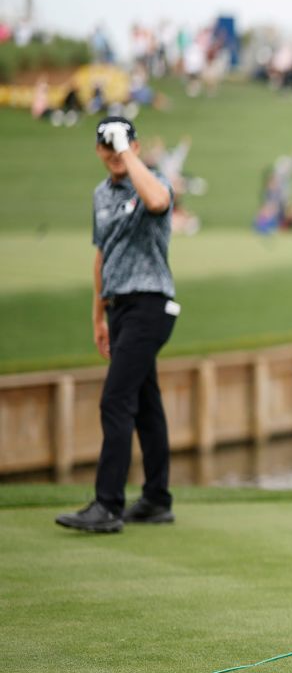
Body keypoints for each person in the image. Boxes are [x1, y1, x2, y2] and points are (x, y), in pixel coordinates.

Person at [56, 116, 179, 534]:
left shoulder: (153, 181)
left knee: (115, 400)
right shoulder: (99, 195)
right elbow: (100, 254)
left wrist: (127, 151)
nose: (112, 154)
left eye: (120, 146)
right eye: (106, 147)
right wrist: (98, 315)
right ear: (97, 152)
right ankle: (157, 500)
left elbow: (159, 202)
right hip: (119, 308)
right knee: (145, 402)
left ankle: (108, 505)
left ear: (135, 147)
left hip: (151, 303)